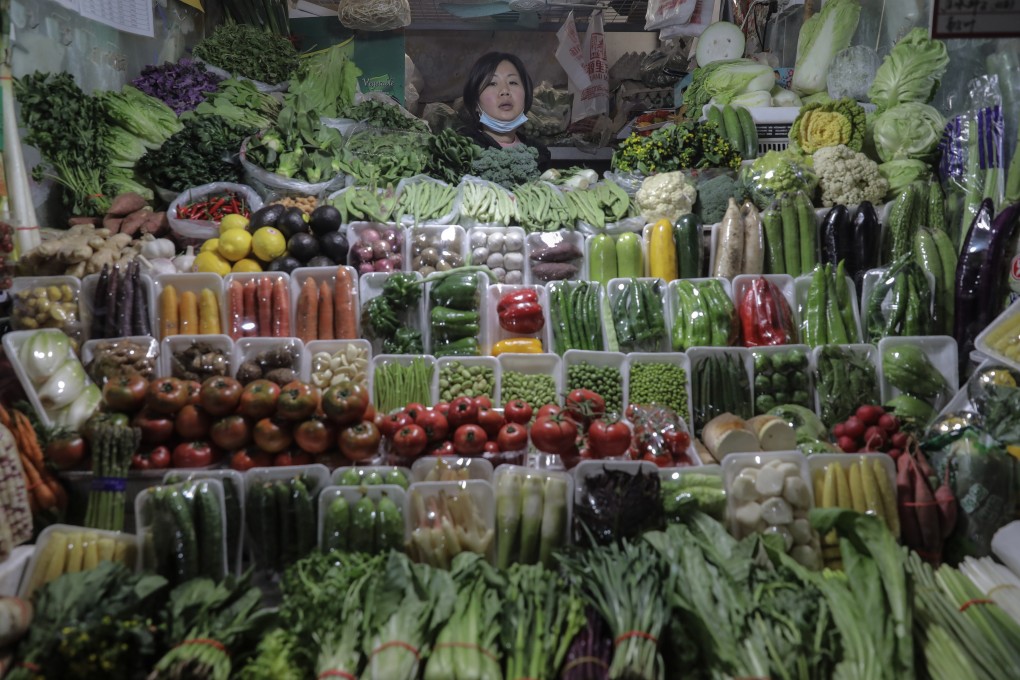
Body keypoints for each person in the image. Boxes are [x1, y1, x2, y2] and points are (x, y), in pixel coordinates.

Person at [460, 52, 551, 170]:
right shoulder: (463, 150)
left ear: (526, 94)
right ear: (475, 102)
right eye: (492, 83)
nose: (505, 91)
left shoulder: (540, 154)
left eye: (513, 82)